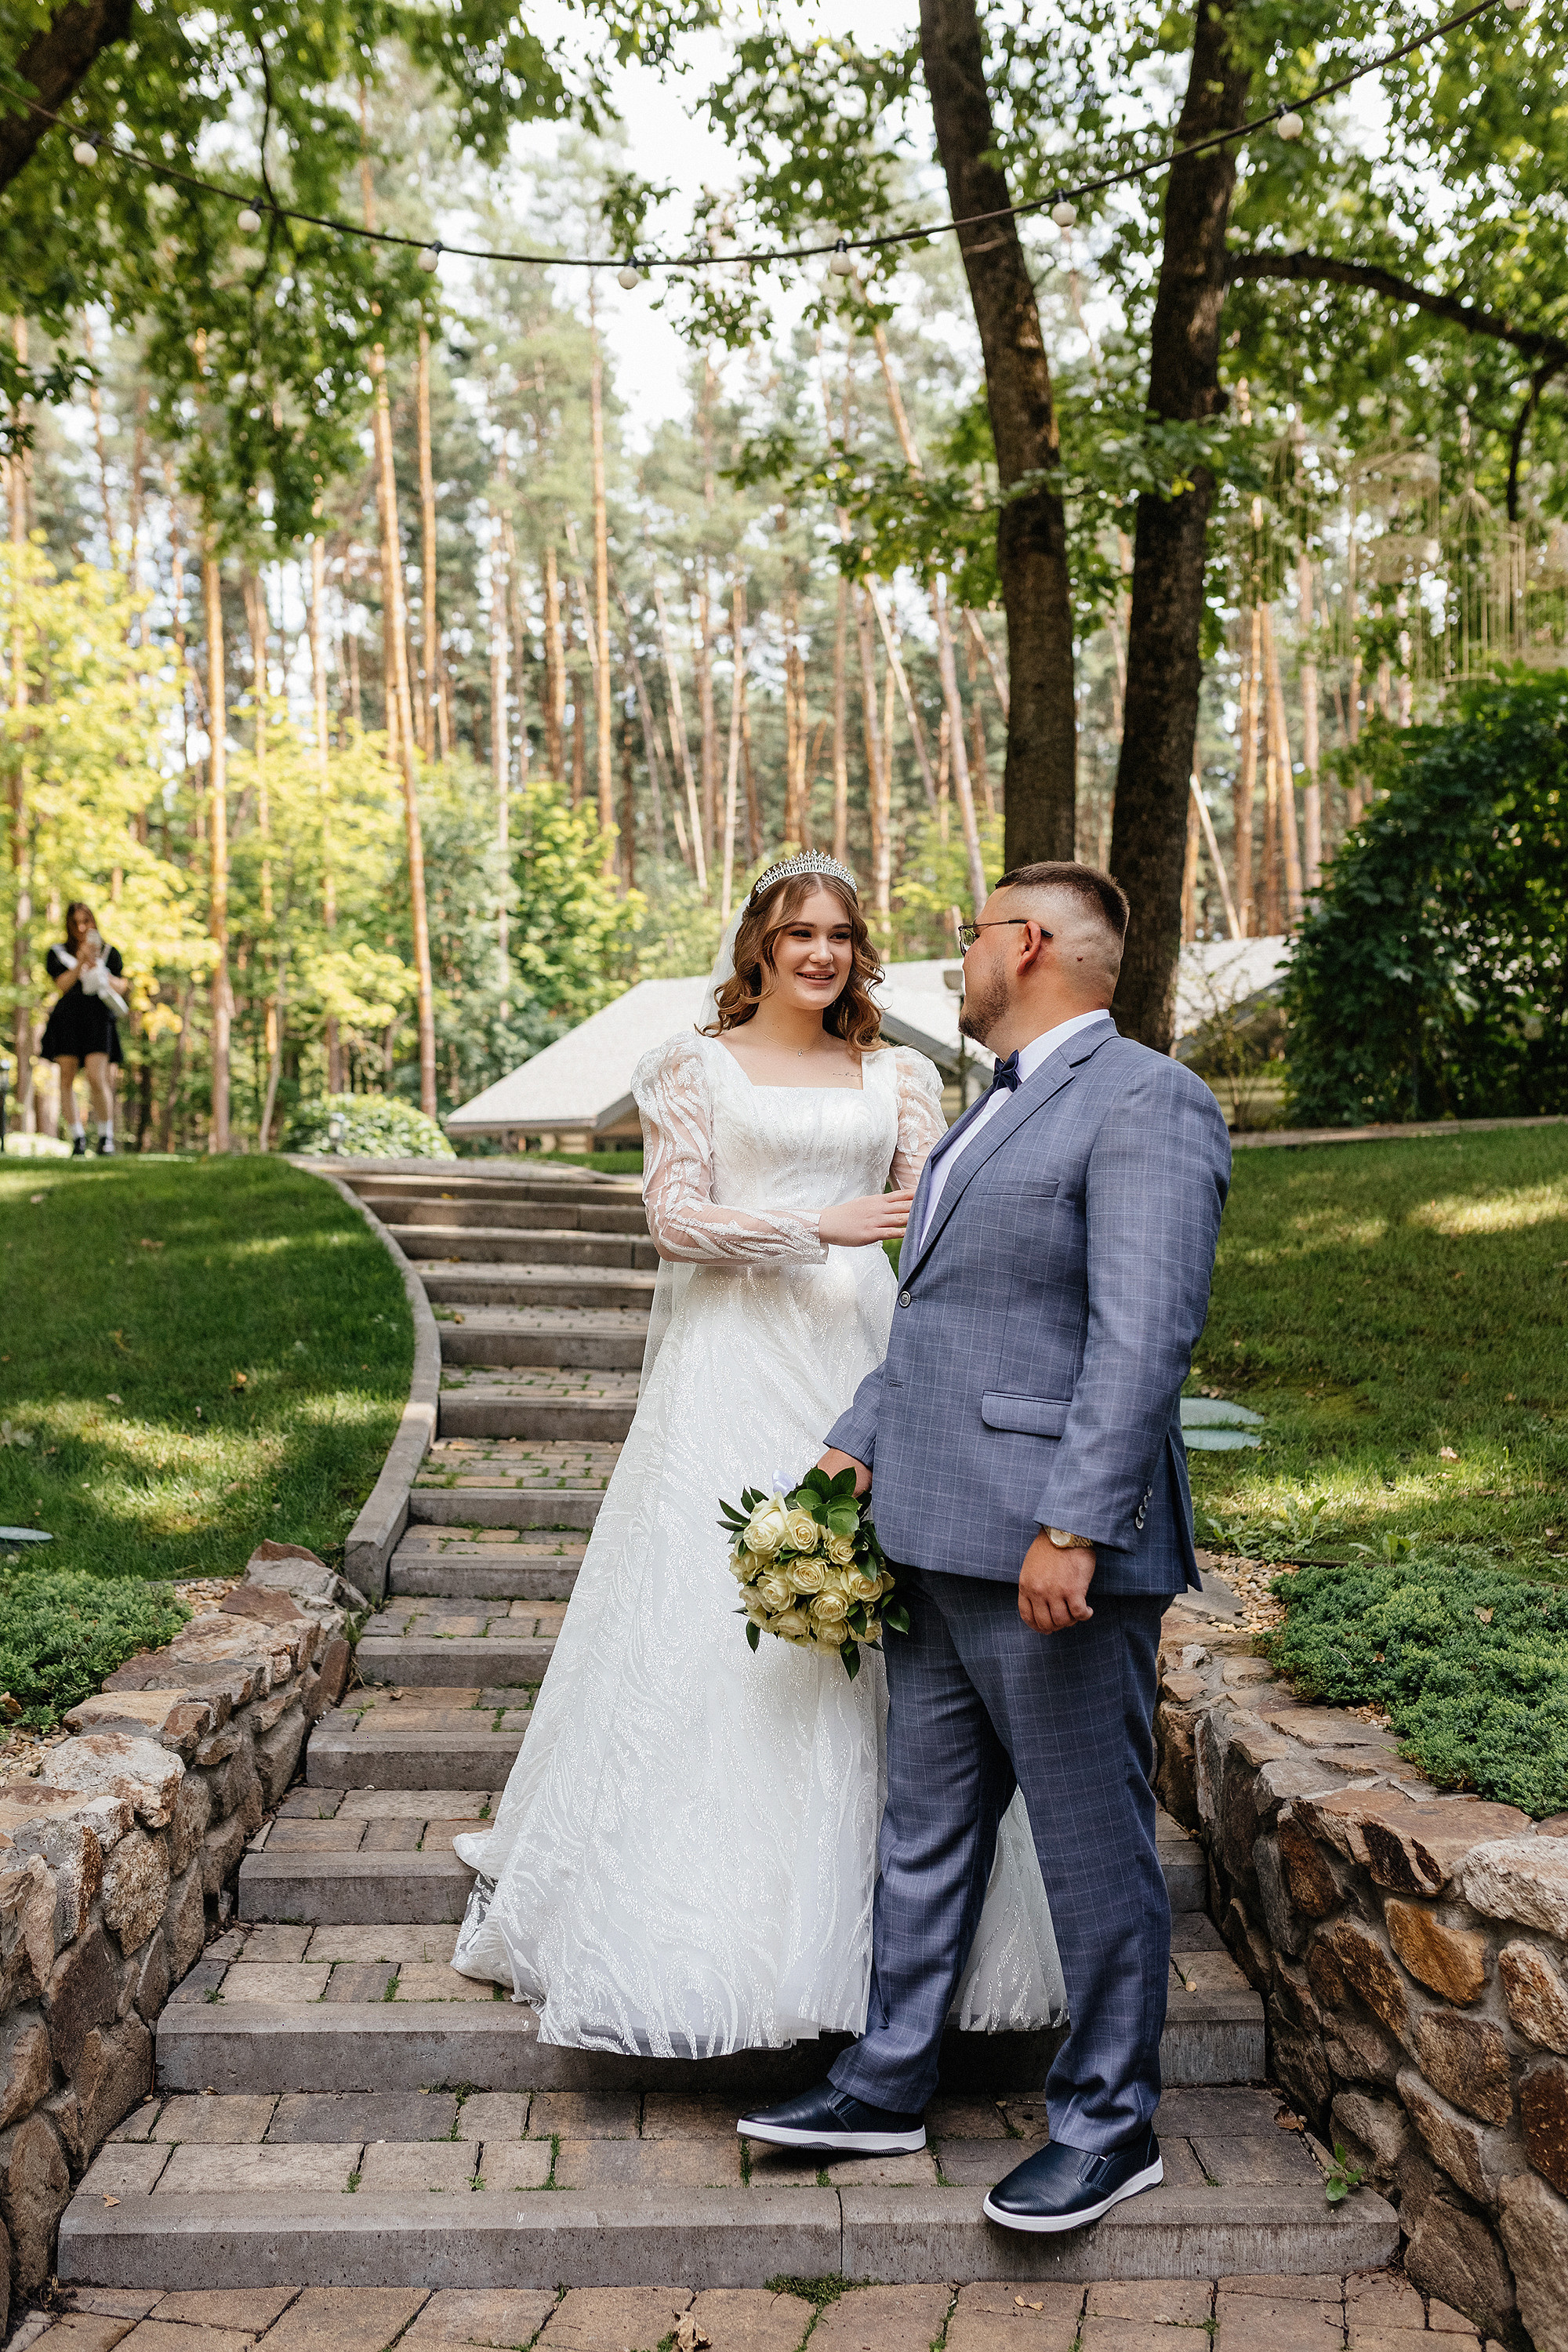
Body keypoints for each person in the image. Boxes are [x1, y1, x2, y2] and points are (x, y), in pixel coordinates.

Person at [450, 850, 1065, 2059]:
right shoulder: (693, 1066)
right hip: (730, 1368)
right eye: (799, 935)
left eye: (841, 933)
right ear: (760, 948)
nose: (823, 952)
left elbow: (936, 1225)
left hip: (860, 1358)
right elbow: (672, 1219)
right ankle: (699, 1935)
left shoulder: (896, 1075)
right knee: (707, 1631)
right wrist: (811, 1227)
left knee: (884, 1637)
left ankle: (894, 1947)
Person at [740, 861, 1232, 2230]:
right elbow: (944, 1318)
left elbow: (1143, 1336)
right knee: (925, 1832)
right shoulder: (978, 1112)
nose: (954, 961)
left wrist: (1075, 1523)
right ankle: (888, 2082)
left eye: (970, 937)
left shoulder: (1148, 1103)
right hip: (931, 1537)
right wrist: (851, 1449)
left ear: (1028, 946)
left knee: (1090, 1849)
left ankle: (1110, 2122)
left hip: (1049, 1555)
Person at [41, 901, 128, 1156]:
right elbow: (62, 986)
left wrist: (99, 968)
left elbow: (123, 986)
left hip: (98, 1020)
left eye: (85, 921)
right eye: (75, 922)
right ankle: (77, 1137)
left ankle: (106, 1137)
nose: (81, 927)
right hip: (67, 1020)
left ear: (93, 922)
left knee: (96, 1077)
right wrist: (79, 964)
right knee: (66, 1078)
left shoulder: (110, 952)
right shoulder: (57, 953)